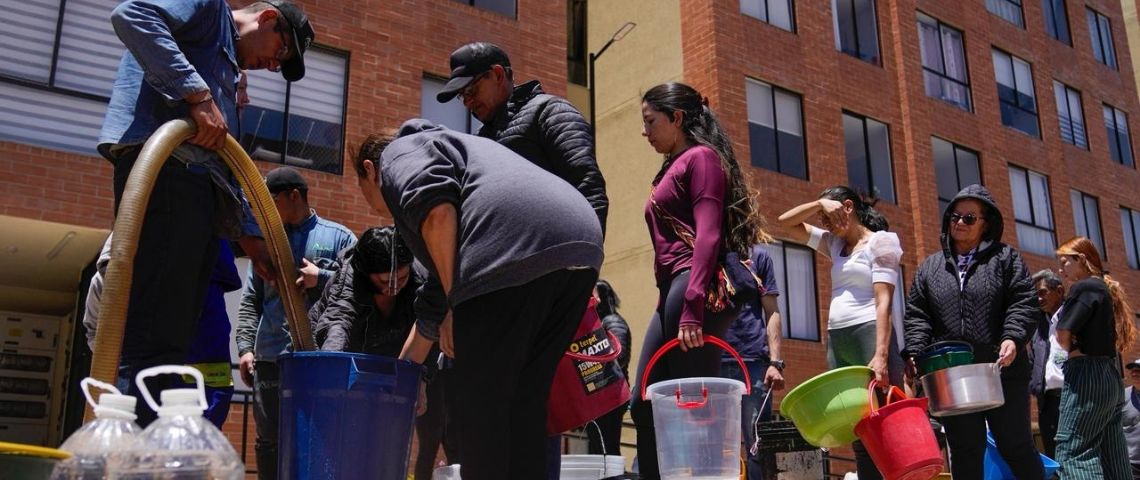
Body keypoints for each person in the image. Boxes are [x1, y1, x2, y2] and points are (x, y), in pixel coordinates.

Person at [97, 0, 313, 428]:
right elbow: (133, 16)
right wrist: (196, 92)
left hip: (195, 185)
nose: (274, 65)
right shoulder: (207, 7)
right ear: (268, 18)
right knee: (154, 332)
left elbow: (225, 163)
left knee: (175, 336)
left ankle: (147, 447)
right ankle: (128, 451)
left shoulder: (229, 69)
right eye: (281, 51)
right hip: (165, 171)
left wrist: (252, 235)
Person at [353, 119, 603, 480]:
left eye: (364, 191)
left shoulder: (401, 151)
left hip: (513, 249)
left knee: (480, 410)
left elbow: (437, 213)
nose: (375, 207)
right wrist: (409, 380)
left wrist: (459, 302)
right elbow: (434, 299)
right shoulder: (466, 156)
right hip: (580, 244)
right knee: (524, 406)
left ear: (369, 170)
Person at [629, 82, 768, 480]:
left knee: (697, 411)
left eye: (651, 121)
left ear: (677, 118)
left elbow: (708, 234)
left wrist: (691, 305)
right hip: (673, 290)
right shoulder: (673, 164)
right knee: (644, 403)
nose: (645, 131)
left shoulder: (702, 159)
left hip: (694, 289)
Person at [904, 184, 1043, 479]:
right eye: (955, 216)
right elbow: (917, 314)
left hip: (1002, 368)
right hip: (954, 373)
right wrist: (916, 350)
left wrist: (1012, 337)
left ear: (986, 223)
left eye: (969, 218)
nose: (960, 223)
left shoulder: (1007, 259)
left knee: (1014, 445)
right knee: (965, 449)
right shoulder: (930, 267)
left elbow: (1024, 301)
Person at [235, 167, 355, 480]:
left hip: (318, 360)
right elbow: (251, 300)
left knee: (318, 439)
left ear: (294, 196)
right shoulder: (268, 244)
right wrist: (246, 348)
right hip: (271, 358)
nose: (266, 210)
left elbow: (359, 289)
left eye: (272, 201)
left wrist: (322, 278)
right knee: (270, 441)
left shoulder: (339, 237)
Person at [776, 185, 903, 479]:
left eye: (828, 215)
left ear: (848, 207)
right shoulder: (833, 244)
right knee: (856, 425)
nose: (824, 222)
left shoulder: (881, 242)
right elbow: (784, 222)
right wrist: (819, 202)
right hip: (839, 339)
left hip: (870, 335)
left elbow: (884, 302)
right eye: (821, 218)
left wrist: (881, 355)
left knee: (881, 421)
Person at [435, 42, 607, 233]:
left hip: (554, 255)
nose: (467, 102)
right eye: (462, 96)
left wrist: (581, 258)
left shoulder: (550, 113)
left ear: (498, 74)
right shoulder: (479, 143)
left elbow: (588, 187)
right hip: (505, 260)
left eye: (470, 91)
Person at [83, 236, 241, 428]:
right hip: (140, 388)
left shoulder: (203, 283)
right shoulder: (111, 277)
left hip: (199, 401)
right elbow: (95, 333)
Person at [1054, 236, 1137, 478]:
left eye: (1065, 262)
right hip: (1109, 377)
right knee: (1113, 454)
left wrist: (1071, 351)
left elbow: (1063, 332)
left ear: (1081, 260)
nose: (1061, 270)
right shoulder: (1102, 288)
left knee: (1073, 450)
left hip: (1086, 374)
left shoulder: (1085, 286)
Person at [719, 243, 784, 480]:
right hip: (713, 360)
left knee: (757, 446)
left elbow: (772, 310)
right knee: (717, 447)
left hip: (754, 362)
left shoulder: (759, 256)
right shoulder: (706, 251)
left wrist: (775, 363)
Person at [586, 279, 632, 457]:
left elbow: (619, 357)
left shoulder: (613, 322)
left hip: (612, 396)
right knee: (598, 449)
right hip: (600, 396)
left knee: (607, 448)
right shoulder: (598, 324)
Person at [1029, 268, 1067, 458]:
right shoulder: (1039, 326)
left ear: (1059, 291)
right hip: (1047, 403)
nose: (1039, 299)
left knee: (1076, 456)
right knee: (1055, 457)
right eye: (1035, 295)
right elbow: (1032, 363)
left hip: (1072, 396)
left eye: (1042, 293)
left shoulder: (1074, 317)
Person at [1121, 359, 1140, 479]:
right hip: (1129, 463)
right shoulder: (1121, 396)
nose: (1134, 373)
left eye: (1138, 370)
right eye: (1132, 370)